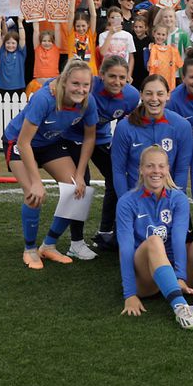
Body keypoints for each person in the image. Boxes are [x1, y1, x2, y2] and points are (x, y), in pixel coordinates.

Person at [1, 59, 98, 270]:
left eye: (85, 85)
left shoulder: (88, 102)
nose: (80, 89)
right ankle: (29, 249)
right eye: (75, 83)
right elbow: (23, 142)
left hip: (49, 143)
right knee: (33, 195)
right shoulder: (44, 99)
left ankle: (49, 245)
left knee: (77, 191)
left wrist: (80, 174)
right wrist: (36, 181)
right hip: (18, 142)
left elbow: (90, 138)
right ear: (64, 81)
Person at [114, 145, 193, 330]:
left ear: (167, 169)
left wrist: (180, 276)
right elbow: (125, 248)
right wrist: (130, 294)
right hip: (145, 277)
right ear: (140, 169)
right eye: (150, 166)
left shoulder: (178, 198)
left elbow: (179, 239)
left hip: (170, 271)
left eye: (161, 166)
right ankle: (181, 308)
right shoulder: (126, 202)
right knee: (154, 240)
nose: (156, 171)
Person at [63, 56, 140, 258]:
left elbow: (131, 124)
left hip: (100, 138)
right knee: (82, 185)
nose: (117, 81)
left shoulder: (131, 96)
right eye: (112, 76)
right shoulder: (88, 85)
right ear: (101, 75)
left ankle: (105, 232)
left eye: (122, 77)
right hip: (71, 136)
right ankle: (76, 242)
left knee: (117, 179)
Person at [111, 75, 193, 222]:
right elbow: (118, 170)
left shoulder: (182, 126)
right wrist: (126, 204)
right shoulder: (124, 127)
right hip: (135, 201)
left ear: (168, 95)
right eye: (149, 93)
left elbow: (181, 171)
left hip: (168, 201)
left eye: (160, 94)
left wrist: (174, 202)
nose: (154, 99)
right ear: (141, 95)